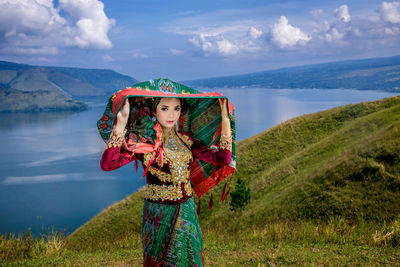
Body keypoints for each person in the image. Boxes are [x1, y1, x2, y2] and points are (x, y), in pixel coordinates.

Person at [98, 80, 234, 266]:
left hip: (187, 210)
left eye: (176, 108)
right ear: (154, 109)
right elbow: (109, 164)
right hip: (158, 213)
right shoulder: (144, 141)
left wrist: (225, 121)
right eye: (164, 108)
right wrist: (120, 125)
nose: (171, 115)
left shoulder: (187, 140)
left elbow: (223, 159)